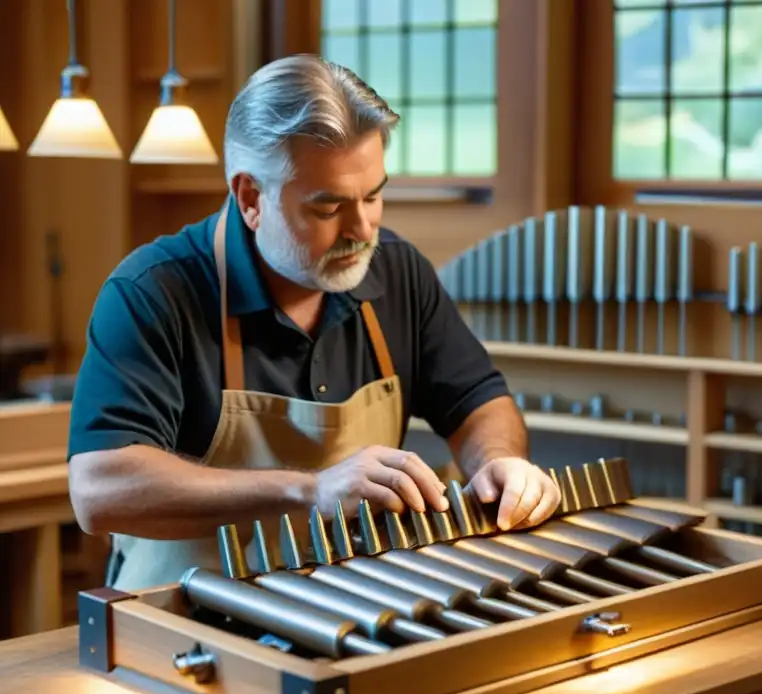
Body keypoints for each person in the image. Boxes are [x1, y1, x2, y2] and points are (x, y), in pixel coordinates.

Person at [66, 54, 561, 591]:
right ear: (251, 198)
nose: (362, 229)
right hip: (179, 617)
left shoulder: (398, 272)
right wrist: (310, 490)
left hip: (351, 610)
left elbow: (477, 400)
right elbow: (99, 490)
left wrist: (498, 461)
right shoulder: (153, 292)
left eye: (373, 196)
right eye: (328, 209)